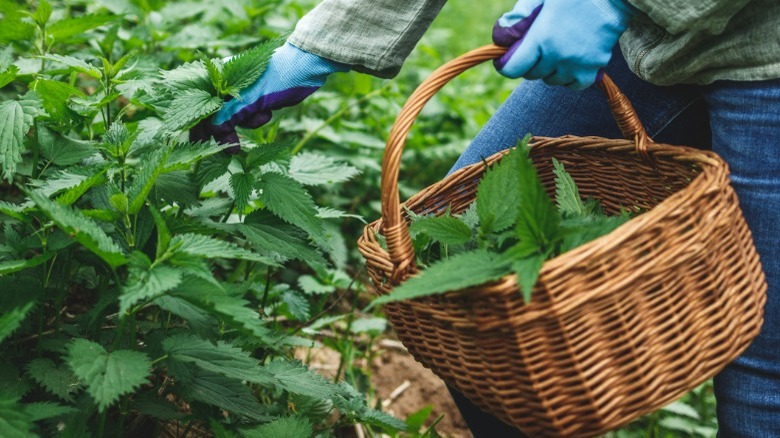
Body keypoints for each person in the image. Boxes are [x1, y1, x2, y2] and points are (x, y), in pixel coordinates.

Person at [193, 0, 780, 436]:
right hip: (644, 43)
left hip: (765, 45)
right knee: (475, 298)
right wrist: (320, 46)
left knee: (762, 375)